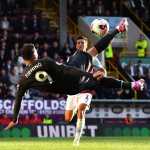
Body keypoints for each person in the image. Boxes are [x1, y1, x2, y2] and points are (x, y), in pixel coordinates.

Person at [5, 19, 144, 130]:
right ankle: (132, 82)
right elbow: (67, 71)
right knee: (95, 63)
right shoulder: (45, 62)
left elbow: (18, 100)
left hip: (66, 90)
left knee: (94, 65)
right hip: (73, 81)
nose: (79, 45)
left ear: (23, 60)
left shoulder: (23, 80)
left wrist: (14, 119)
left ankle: (132, 84)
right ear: (35, 54)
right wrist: (89, 75)